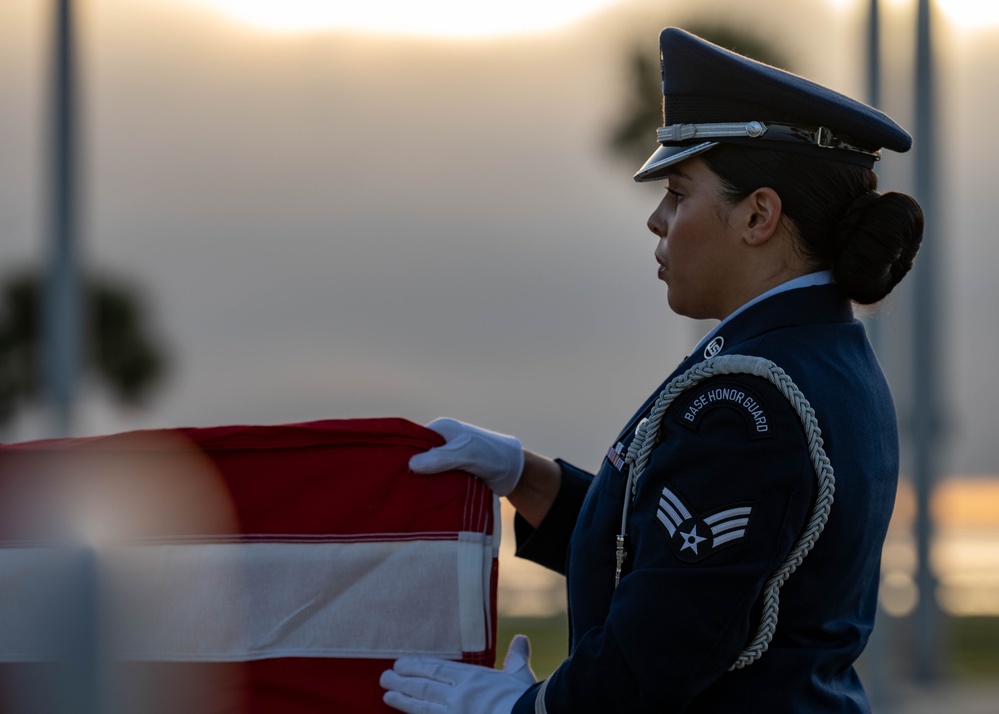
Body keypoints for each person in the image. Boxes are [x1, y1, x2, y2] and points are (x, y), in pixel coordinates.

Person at [380, 27, 923, 713]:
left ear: (758, 214)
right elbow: (692, 560)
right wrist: (529, 478)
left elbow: (664, 647)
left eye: (677, 192)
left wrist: (522, 709)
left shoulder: (749, 400)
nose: (658, 221)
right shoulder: (814, 350)